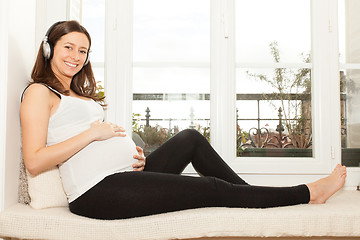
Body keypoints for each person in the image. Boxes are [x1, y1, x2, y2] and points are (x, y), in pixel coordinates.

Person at [20, 20, 347, 220]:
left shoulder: (78, 94)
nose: (75, 56)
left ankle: (253, 198)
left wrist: (131, 157)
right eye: (68, 47)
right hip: (95, 192)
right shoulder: (39, 92)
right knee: (211, 188)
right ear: (49, 49)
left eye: (83, 51)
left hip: (121, 177)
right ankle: (307, 194)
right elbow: (35, 161)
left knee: (190, 137)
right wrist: (94, 134)